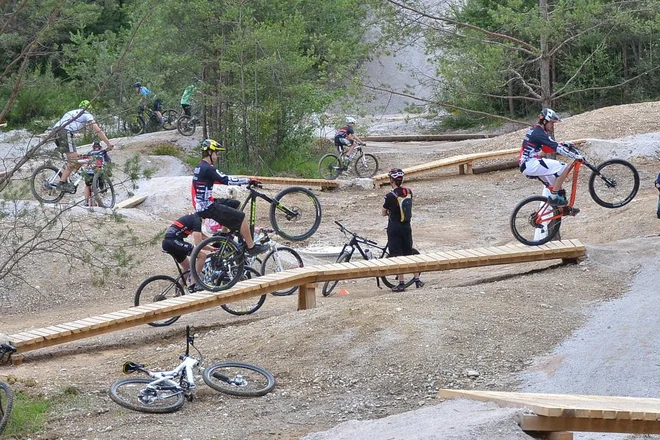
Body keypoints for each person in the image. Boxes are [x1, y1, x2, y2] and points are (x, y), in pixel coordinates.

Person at [191, 138, 267, 256]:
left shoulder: (200, 166)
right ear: (210, 152)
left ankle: (225, 233)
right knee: (242, 217)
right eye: (217, 153)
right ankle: (251, 247)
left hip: (203, 204)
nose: (218, 156)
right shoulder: (207, 168)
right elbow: (226, 179)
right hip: (207, 207)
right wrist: (247, 180)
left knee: (235, 204)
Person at [519, 108, 583, 212]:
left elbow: (546, 148)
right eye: (551, 123)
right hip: (530, 163)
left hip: (528, 164)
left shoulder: (536, 130)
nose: (552, 126)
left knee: (557, 188)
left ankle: (564, 210)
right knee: (563, 167)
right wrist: (574, 156)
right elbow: (554, 146)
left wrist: (563, 144)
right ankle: (553, 197)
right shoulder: (538, 132)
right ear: (544, 121)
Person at [51, 100, 114, 192]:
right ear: (89, 109)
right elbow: (97, 130)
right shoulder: (87, 114)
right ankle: (62, 183)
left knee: (73, 158)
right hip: (65, 132)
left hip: (54, 132)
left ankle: (66, 179)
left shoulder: (71, 112)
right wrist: (108, 143)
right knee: (73, 160)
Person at [381, 168, 424, 292]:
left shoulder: (390, 196)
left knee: (397, 256)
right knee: (409, 253)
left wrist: (389, 211)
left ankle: (401, 283)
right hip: (407, 226)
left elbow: (383, 212)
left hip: (394, 227)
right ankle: (417, 280)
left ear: (391, 180)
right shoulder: (409, 191)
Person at [161, 212, 207, 292]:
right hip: (173, 241)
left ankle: (179, 292)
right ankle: (194, 284)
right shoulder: (197, 221)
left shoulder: (193, 217)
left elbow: (202, 236)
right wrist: (212, 248)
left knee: (187, 267)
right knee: (202, 256)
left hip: (169, 242)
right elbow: (198, 244)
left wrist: (215, 240)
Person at [82, 140, 112, 207]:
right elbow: (108, 161)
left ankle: (86, 201)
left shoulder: (89, 153)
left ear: (93, 147)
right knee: (99, 186)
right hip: (98, 171)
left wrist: (85, 170)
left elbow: (86, 163)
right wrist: (109, 171)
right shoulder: (103, 152)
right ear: (100, 147)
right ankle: (98, 201)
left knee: (87, 186)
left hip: (89, 172)